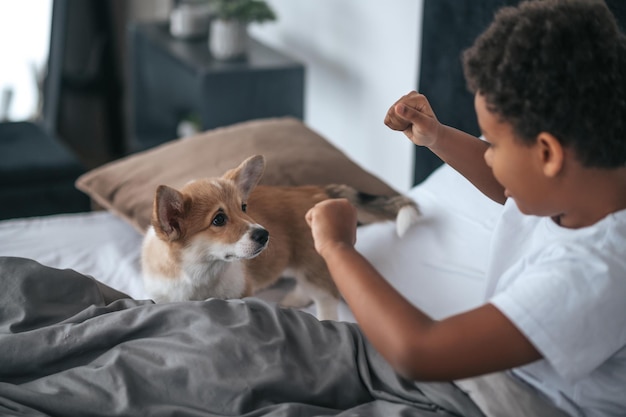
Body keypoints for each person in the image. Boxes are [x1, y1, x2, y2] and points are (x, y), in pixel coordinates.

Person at [305, 0, 626, 416]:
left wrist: (337, 249)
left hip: (524, 403)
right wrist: (437, 137)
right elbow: (514, 189)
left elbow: (419, 352)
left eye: (493, 142)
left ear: (548, 152)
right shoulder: (590, 185)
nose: (488, 156)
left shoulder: (595, 271)